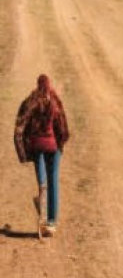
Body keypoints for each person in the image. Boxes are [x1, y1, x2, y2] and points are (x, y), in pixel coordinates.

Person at [14, 75, 70, 238]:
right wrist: (60, 144)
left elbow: (19, 126)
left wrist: (23, 152)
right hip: (53, 147)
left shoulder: (31, 101)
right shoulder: (55, 101)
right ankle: (52, 223)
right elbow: (63, 127)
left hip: (37, 147)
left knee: (43, 184)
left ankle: (42, 216)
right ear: (49, 85)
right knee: (53, 182)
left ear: (38, 85)